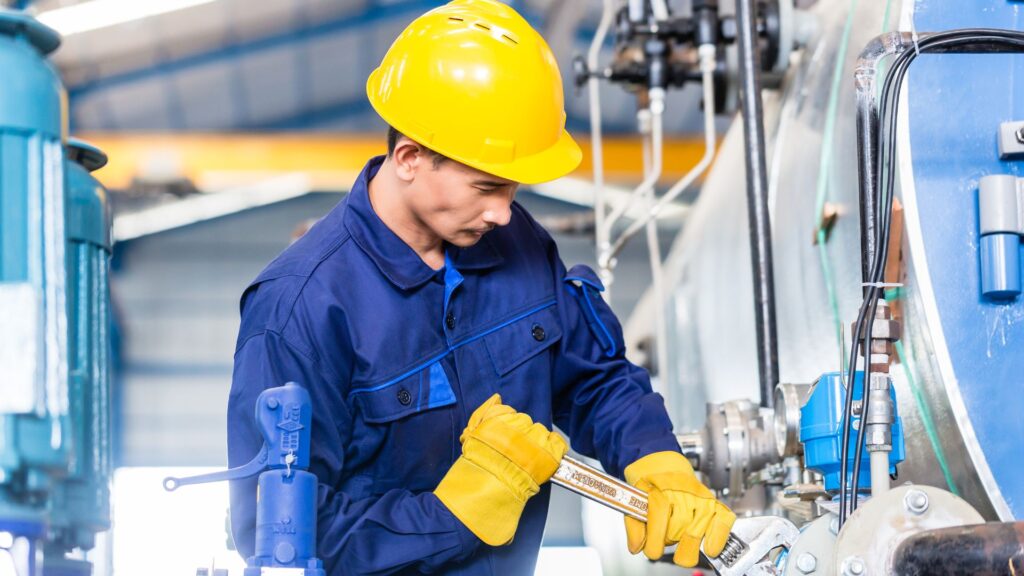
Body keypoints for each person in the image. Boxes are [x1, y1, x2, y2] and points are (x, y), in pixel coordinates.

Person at [227, 1, 735, 574]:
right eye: (487, 187)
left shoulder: (517, 242)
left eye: (513, 188)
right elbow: (277, 534)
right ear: (410, 157)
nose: (503, 212)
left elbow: (593, 379)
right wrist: (456, 513)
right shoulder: (299, 308)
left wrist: (656, 458)